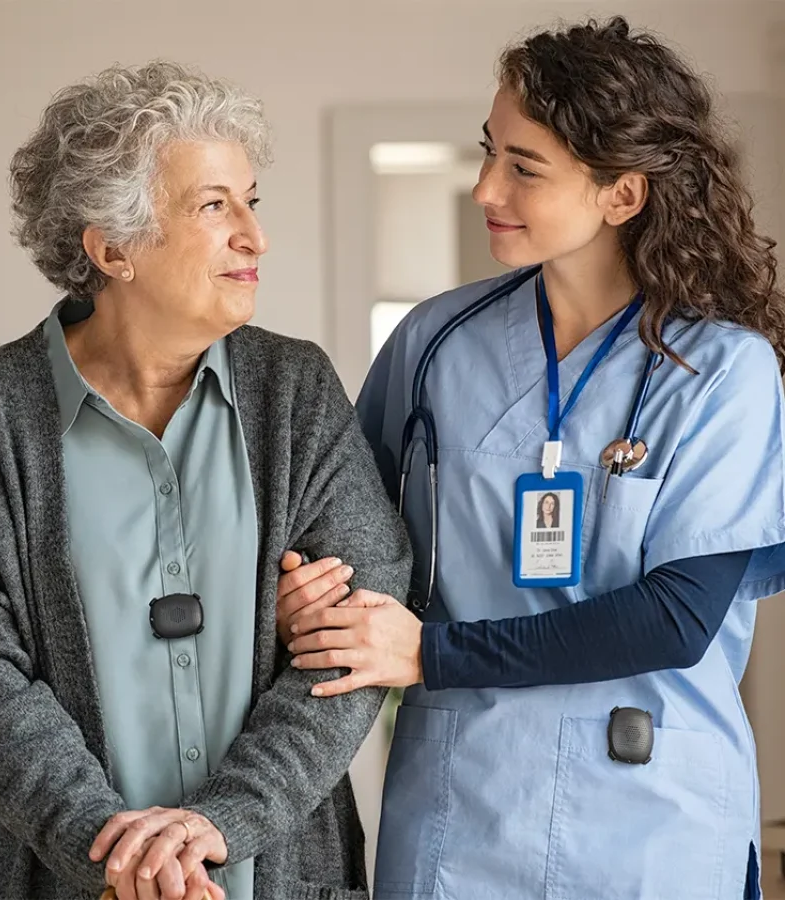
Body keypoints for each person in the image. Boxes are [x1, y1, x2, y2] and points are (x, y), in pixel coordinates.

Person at [276, 17, 785, 900]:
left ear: (622, 195)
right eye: (489, 153)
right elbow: (347, 535)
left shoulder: (721, 370)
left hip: (649, 818)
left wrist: (430, 655)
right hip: (461, 812)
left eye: (523, 166)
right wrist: (309, 593)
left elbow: (674, 619)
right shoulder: (435, 341)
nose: (483, 188)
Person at [0, 62, 411, 900]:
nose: (255, 236)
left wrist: (222, 822)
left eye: (252, 200)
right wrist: (117, 856)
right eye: (214, 206)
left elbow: (355, 643)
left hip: (277, 877)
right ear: (111, 248)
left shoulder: (295, 391)